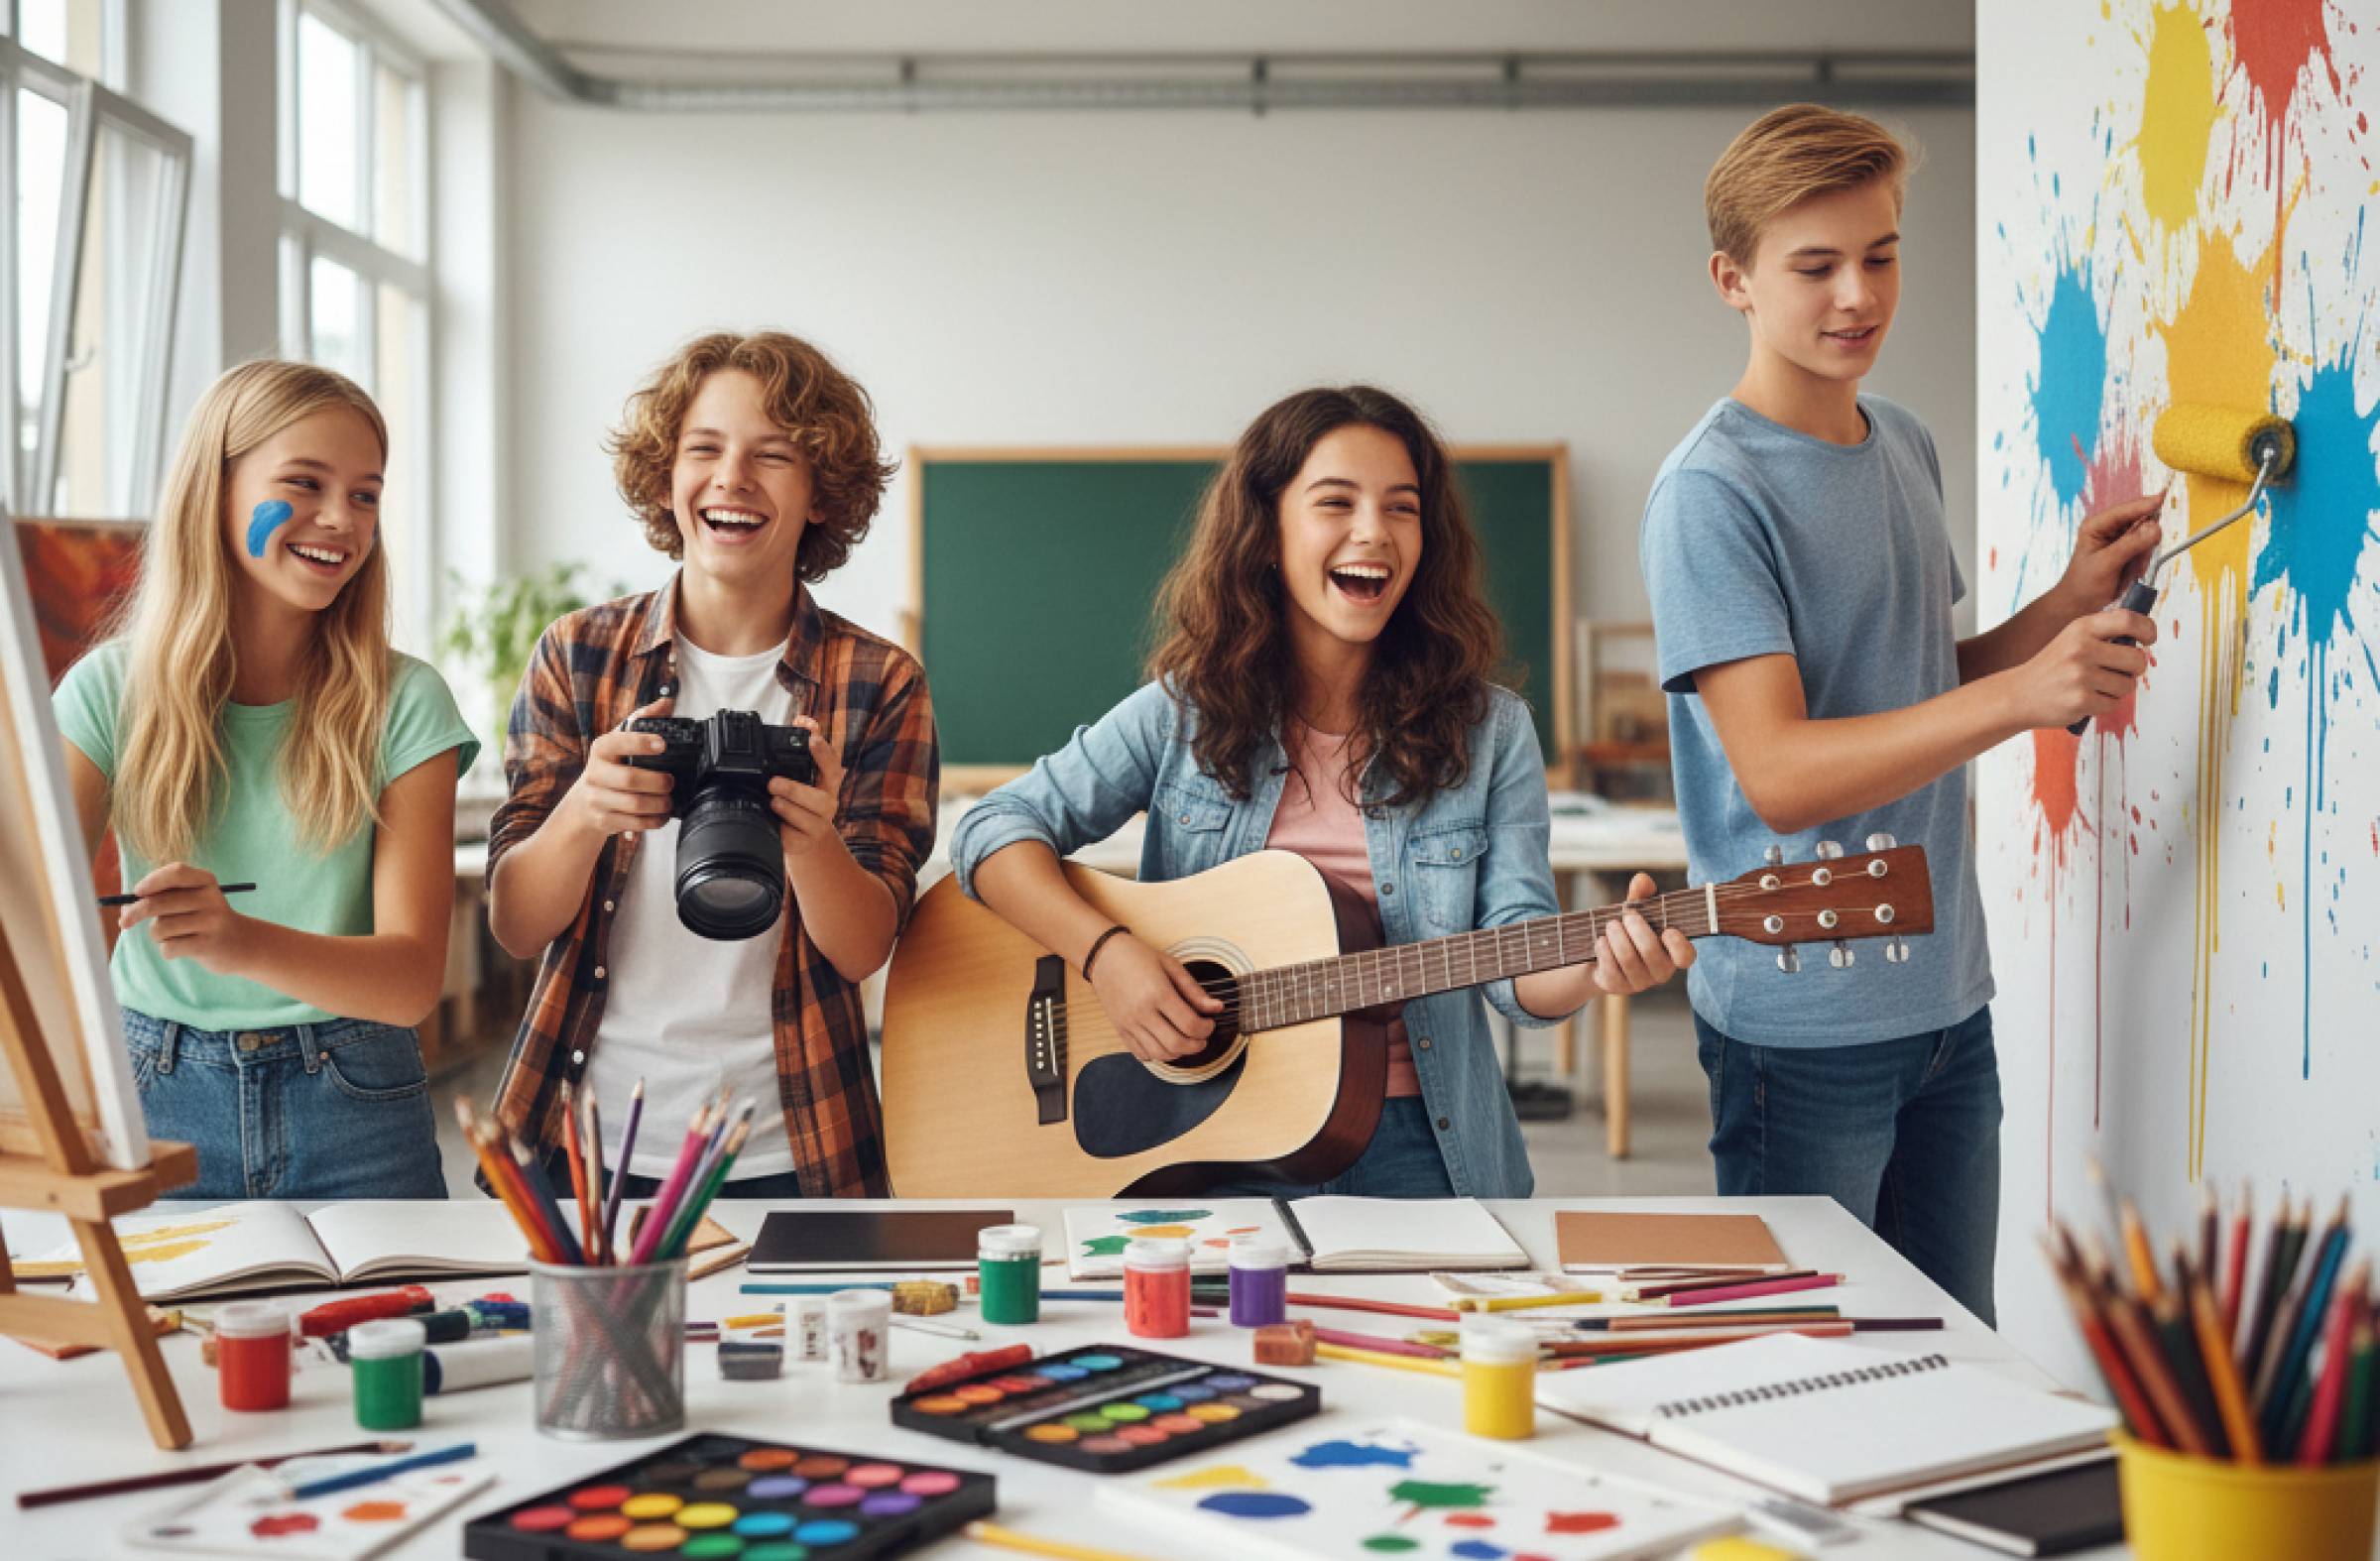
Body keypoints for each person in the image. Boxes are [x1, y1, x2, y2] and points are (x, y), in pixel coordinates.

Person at [1640, 105, 2164, 1322]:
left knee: (1957, 1360)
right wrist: (2023, 697)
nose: (1856, 295)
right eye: (1814, 265)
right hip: (1798, 1023)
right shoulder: (1710, 493)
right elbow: (1778, 770)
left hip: (1945, 1002)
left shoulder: (1906, 441)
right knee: (1804, 1367)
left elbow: (1921, 680)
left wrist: (2060, 607)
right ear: (1734, 280)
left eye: (1878, 255)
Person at [952, 384, 1692, 1200]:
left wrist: (1596, 969)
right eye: (1335, 502)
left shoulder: (1492, 730)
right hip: (1208, 1140)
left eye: (1402, 508)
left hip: (1421, 1148)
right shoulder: (1183, 712)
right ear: (1267, 531)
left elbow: (1514, 954)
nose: (1373, 532)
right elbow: (992, 829)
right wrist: (1106, 956)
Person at [487, 330, 937, 1197]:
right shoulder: (578, 655)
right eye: (705, 449)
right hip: (585, 1141)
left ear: (819, 497)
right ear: (666, 476)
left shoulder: (880, 683)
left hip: (790, 1146)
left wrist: (810, 841)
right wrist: (585, 810)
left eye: (774, 457)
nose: (734, 477)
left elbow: (864, 949)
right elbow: (514, 925)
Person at [55, 360, 479, 1199]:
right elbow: (33, 929)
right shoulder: (108, 692)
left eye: (365, 494)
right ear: (212, 493)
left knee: (394, 1337)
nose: (341, 520)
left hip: (358, 1102)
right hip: (155, 1099)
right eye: (305, 482)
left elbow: (408, 984)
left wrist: (241, 942)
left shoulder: (406, 701)